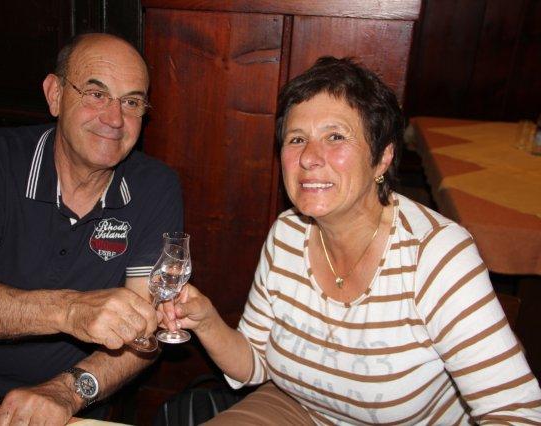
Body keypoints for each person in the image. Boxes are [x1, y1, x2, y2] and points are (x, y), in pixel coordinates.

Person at [165, 57, 541, 424]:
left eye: (335, 136)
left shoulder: (436, 254)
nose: (309, 158)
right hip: (299, 407)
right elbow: (255, 364)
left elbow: (517, 413)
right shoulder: (287, 233)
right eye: (297, 139)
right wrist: (206, 321)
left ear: (382, 157)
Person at [0, 33, 183, 424]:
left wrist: (67, 391)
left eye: (132, 102)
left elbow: (142, 335)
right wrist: (69, 311)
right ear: (55, 94)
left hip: (70, 390)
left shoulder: (155, 187)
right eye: (96, 94)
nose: (115, 119)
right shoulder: (0, 157)